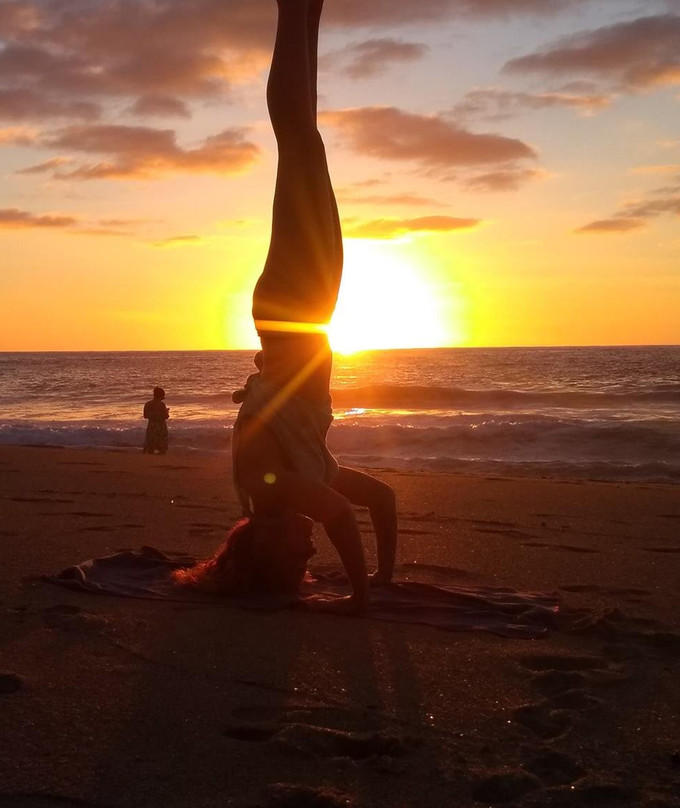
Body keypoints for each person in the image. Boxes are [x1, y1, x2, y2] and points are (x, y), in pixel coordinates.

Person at [224, 0, 398, 613]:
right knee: (308, 143)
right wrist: (382, 578)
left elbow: (340, 517)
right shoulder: (308, 477)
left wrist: (357, 597)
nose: (308, 551)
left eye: (297, 557)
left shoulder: (273, 491)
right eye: (311, 561)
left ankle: (289, 11)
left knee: (296, 142)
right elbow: (379, 501)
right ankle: (306, 16)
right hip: (307, 310)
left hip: (293, 310)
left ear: (262, 545)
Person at [143, 387, 169, 454]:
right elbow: (166, 416)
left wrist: (153, 415)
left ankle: (150, 458)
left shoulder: (148, 404)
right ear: (160, 395)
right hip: (160, 427)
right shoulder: (161, 404)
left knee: (151, 444)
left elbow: (145, 415)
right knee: (161, 445)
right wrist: (166, 412)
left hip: (151, 427)